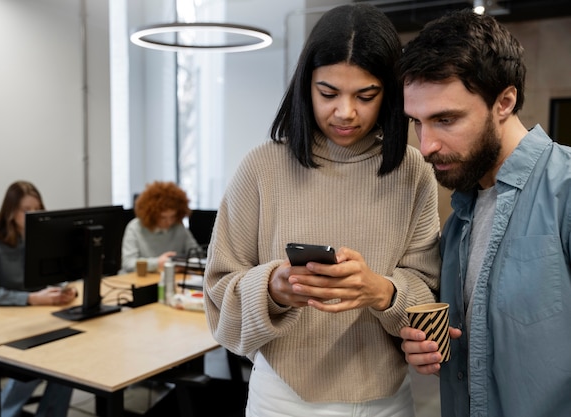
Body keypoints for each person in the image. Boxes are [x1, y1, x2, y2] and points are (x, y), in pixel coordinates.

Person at [203, 4, 441, 417]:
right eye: (328, 93)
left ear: (390, 92)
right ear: (304, 87)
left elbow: (430, 291)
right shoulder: (262, 167)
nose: (345, 112)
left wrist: (381, 291)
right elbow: (218, 292)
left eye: (366, 95)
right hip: (282, 398)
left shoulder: (413, 171)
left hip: (385, 400)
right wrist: (273, 288)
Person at [397, 9, 571, 417]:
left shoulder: (566, 190)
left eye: (445, 119)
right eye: (417, 123)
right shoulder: (460, 218)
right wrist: (427, 350)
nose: (425, 146)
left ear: (504, 102)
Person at [0, 180, 76, 417]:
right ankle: (3, 413)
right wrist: (32, 299)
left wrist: (64, 288)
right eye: (26, 210)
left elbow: (54, 275)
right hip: (4, 323)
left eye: (37, 210)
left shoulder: (42, 239)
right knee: (39, 362)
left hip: (39, 320)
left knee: (70, 362)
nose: (33, 215)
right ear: (11, 211)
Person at [121, 181, 199, 273]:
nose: (169, 222)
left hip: (170, 278)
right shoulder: (135, 227)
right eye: (163, 218)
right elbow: (128, 263)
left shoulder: (178, 226)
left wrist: (183, 263)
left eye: (173, 216)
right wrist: (157, 263)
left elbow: (196, 253)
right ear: (151, 215)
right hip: (139, 280)